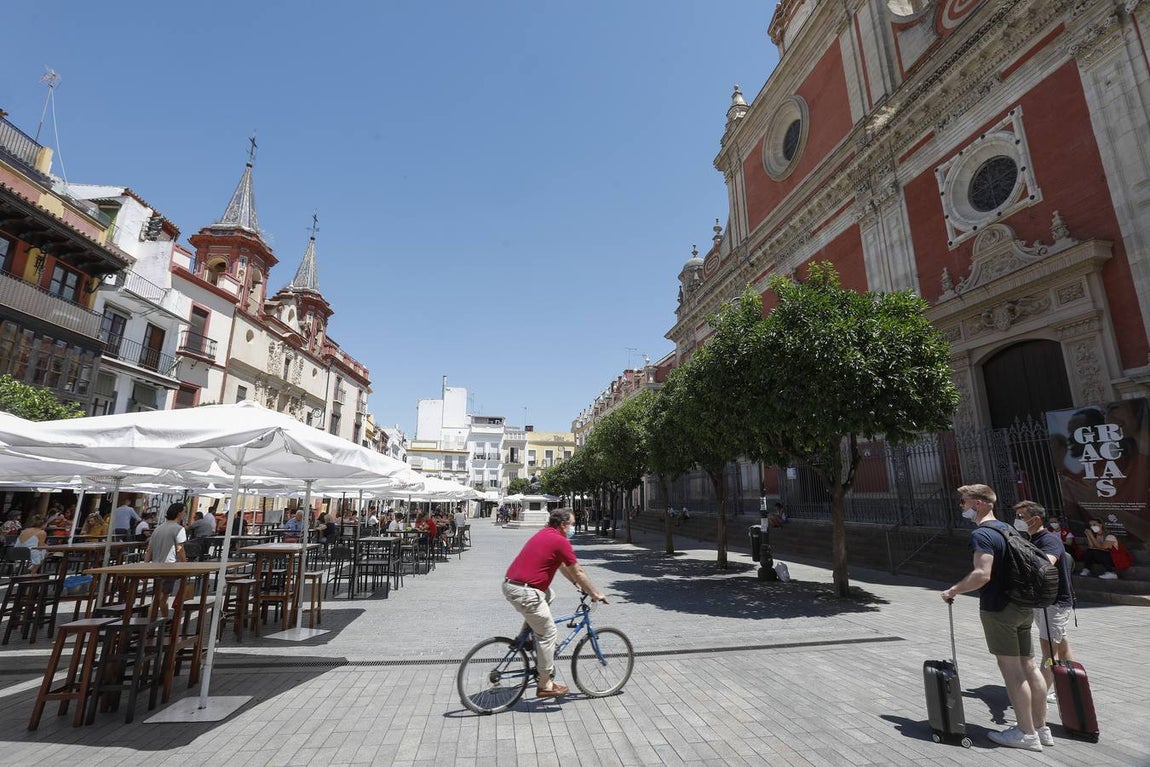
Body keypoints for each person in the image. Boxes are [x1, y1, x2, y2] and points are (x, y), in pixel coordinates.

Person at [940, 484, 1050, 751]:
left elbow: (982, 574)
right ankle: (1041, 728)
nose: (961, 507)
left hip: (1000, 607)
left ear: (978, 503)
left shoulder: (983, 534)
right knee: (1031, 666)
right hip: (1023, 605)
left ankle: (1025, 733)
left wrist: (953, 590)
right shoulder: (1007, 528)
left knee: (1011, 670)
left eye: (964, 502)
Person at [503, 509, 607, 698]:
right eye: (573, 524)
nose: (573, 528)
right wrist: (595, 593)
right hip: (526, 591)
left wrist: (576, 584)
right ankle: (545, 684)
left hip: (512, 585)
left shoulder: (544, 534)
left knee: (549, 594)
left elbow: (561, 566)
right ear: (562, 525)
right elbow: (578, 571)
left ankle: (525, 637)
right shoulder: (560, 541)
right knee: (549, 633)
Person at [1014, 501, 1075, 705]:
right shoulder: (1031, 539)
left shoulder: (1049, 540)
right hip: (1043, 602)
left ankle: (1036, 698)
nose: (1018, 521)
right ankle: (1067, 686)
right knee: (1061, 643)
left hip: (1055, 603)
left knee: (1048, 652)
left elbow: (1044, 564)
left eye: (1022, 517)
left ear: (1036, 519)